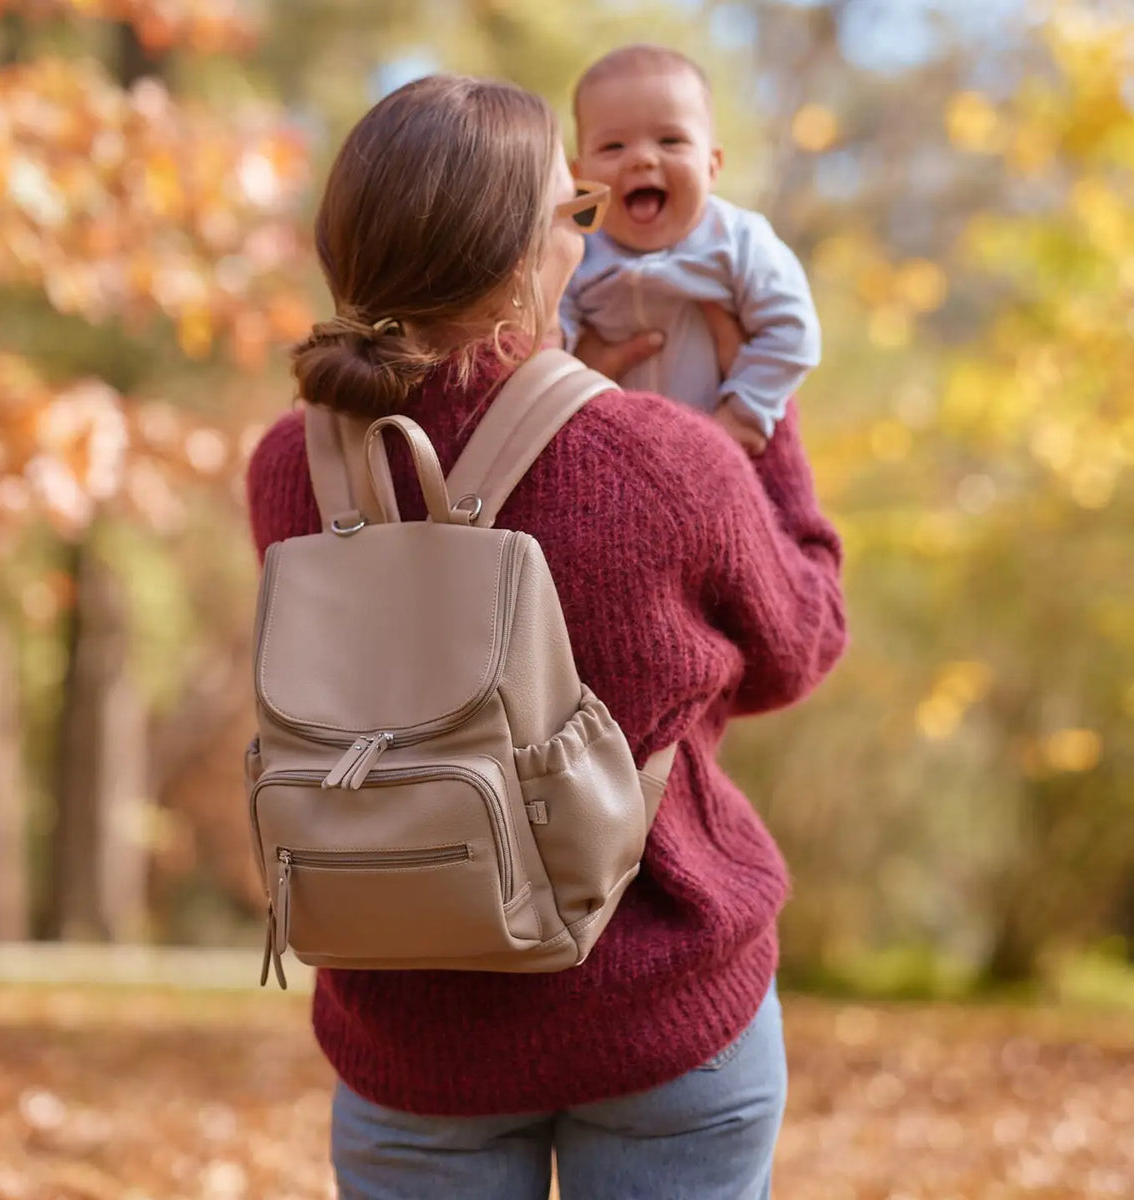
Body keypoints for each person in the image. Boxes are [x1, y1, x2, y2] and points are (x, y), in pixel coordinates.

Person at [246, 72, 846, 1200]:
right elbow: (798, 644)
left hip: (407, 1026)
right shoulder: (664, 459)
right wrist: (757, 401)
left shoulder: (293, 465)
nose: (585, 241)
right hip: (659, 1011)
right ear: (525, 258)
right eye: (570, 219)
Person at [560, 44, 821, 455]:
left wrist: (745, 412)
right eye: (613, 147)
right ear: (579, 177)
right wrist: (565, 363)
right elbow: (544, 336)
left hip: (715, 444)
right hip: (605, 452)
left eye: (670, 140)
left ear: (712, 165)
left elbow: (792, 329)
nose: (643, 159)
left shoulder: (737, 239)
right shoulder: (574, 249)